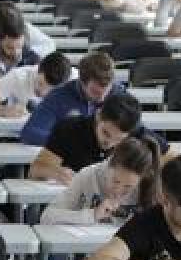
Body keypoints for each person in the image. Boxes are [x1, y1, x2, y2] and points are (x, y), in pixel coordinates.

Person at [30, 92, 168, 183]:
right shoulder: (69, 128)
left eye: (119, 139)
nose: (110, 143)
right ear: (98, 115)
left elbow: (172, 161)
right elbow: (35, 170)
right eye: (106, 133)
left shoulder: (138, 134)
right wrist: (56, 172)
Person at [39, 136, 161, 226]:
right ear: (109, 166)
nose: (118, 191)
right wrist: (92, 215)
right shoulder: (88, 175)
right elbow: (47, 217)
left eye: (128, 186)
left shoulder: (151, 186)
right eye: (115, 181)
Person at [20, 51, 118, 146]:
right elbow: (30, 133)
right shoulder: (57, 97)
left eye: (106, 91)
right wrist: (70, 141)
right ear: (82, 82)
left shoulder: (118, 94)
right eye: (95, 92)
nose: (101, 98)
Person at [0, 51, 73, 118]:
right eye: (40, 84)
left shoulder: (75, 81)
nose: (43, 93)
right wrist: (4, 110)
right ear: (38, 69)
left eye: (52, 90)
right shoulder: (18, 76)